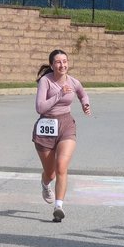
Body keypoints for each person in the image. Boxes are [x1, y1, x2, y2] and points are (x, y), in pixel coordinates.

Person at [33, 49, 91, 223]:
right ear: (52, 65)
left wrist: (85, 104)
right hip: (46, 126)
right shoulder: (45, 81)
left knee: (61, 166)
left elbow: (82, 94)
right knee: (50, 173)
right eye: (58, 62)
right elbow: (40, 108)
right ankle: (45, 184)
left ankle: (58, 207)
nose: (62, 65)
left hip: (66, 124)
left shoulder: (73, 81)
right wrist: (59, 94)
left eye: (65, 61)